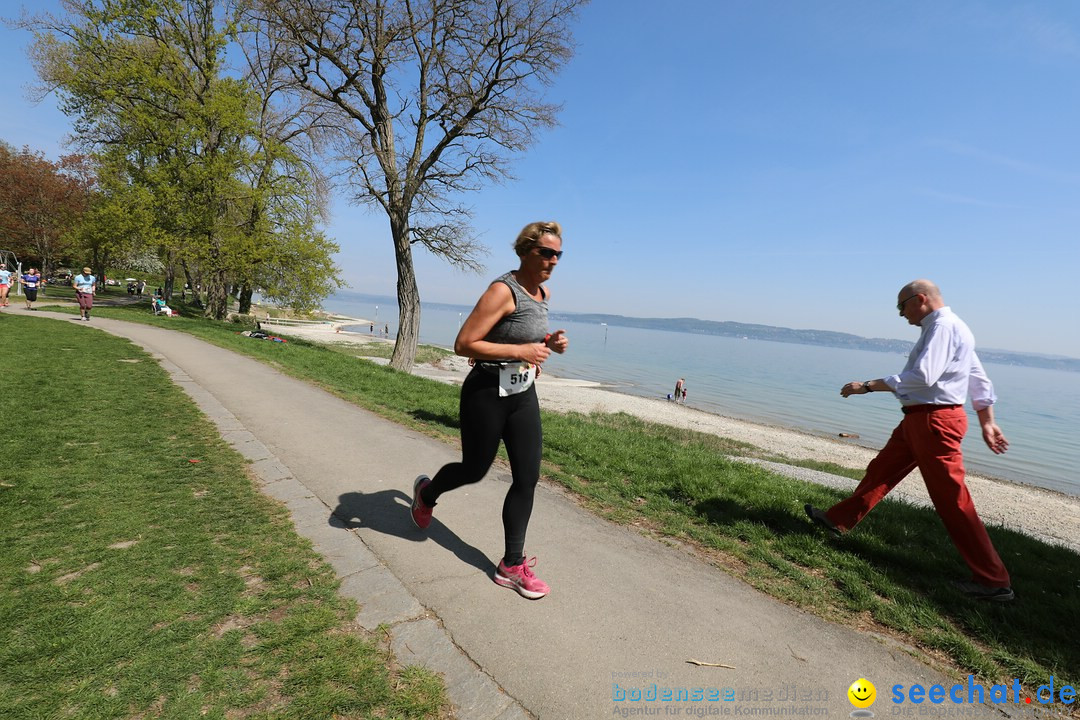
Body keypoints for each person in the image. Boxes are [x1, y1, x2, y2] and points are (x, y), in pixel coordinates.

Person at [804, 279, 1013, 602]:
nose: (901, 315)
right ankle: (837, 520)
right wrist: (988, 423)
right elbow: (979, 380)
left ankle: (993, 581)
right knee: (881, 470)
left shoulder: (943, 327)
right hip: (921, 419)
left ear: (920, 300)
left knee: (953, 501)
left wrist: (869, 385)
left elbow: (923, 376)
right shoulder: (954, 328)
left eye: (901, 307)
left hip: (934, 421)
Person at [411, 221, 569, 600]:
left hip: (522, 392)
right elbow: (464, 343)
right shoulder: (503, 290)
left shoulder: (542, 292)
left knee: (527, 477)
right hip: (485, 391)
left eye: (558, 255)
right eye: (546, 253)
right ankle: (427, 494)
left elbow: (521, 336)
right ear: (525, 251)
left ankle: (511, 564)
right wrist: (521, 352)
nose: (553, 261)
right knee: (473, 469)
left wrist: (549, 343)